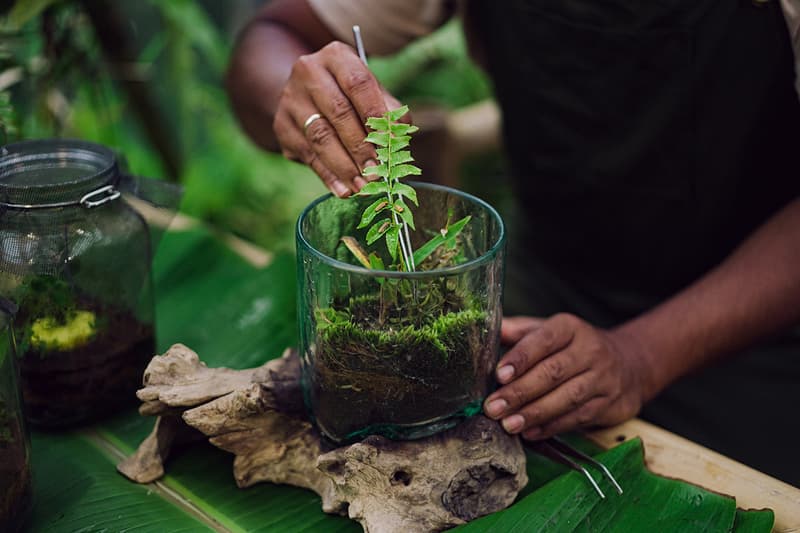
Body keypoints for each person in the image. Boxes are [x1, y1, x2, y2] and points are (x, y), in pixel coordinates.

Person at [226, 0, 800, 486]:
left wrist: (642, 355)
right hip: (536, 303)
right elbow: (272, 34)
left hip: (762, 330)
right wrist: (297, 94)